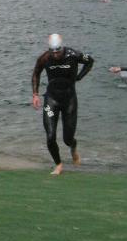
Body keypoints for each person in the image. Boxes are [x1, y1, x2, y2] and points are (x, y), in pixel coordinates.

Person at [31, 33, 94, 175]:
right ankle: (58, 164)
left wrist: (79, 77)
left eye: (57, 51)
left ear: (62, 48)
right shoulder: (44, 58)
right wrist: (35, 94)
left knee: (68, 139)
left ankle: (73, 147)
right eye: (52, 51)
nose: (55, 54)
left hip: (69, 100)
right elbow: (36, 73)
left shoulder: (73, 54)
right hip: (51, 99)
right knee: (50, 136)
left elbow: (90, 61)